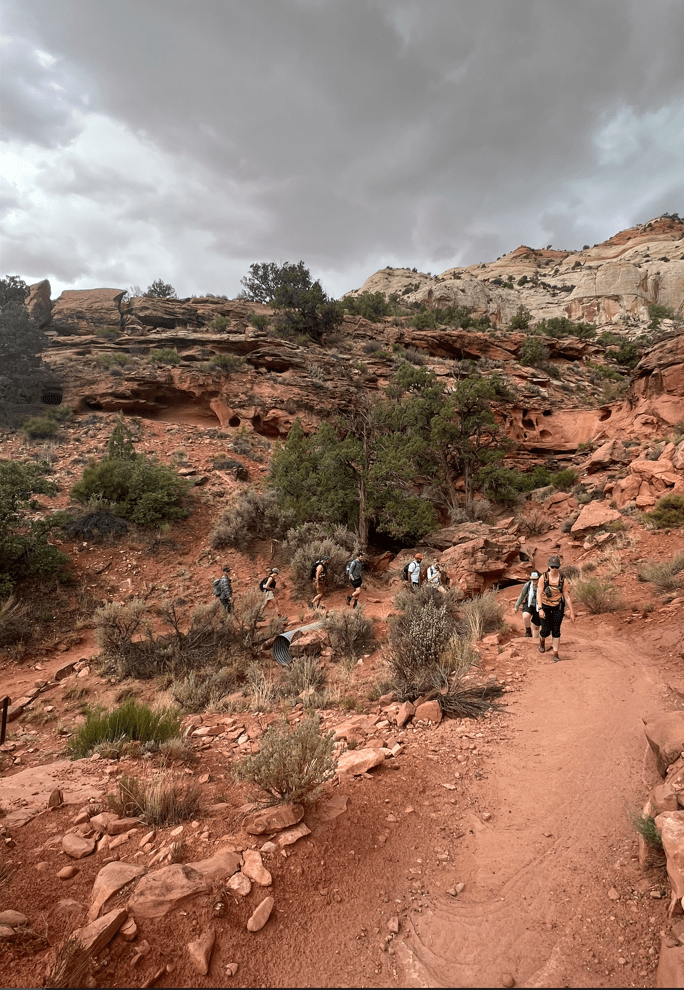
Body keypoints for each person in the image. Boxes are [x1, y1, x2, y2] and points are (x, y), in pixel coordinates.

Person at [536, 556, 575, 662]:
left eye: (556, 567)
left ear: (559, 567)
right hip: (545, 606)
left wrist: (572, 612)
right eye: (552, 567)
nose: (554, 569)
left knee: (556, 630)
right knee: (545, 630)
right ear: (549, 566)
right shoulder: (543, 578)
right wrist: (540, 609)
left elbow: (567, 597)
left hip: (558, 607)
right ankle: (542, 640)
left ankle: (555, 653)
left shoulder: (562, 580)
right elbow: (538, 594)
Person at [514, 569, 542, 638]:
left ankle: (534, 641)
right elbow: (522, 595)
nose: (534, 580)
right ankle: (528, 631)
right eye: (532, 579)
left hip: (539, 607)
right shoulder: (528, 585)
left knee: (536, 627)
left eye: (535, 579)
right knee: (525, 616)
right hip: (529, 604)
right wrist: (516, 606)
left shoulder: (543, 586)